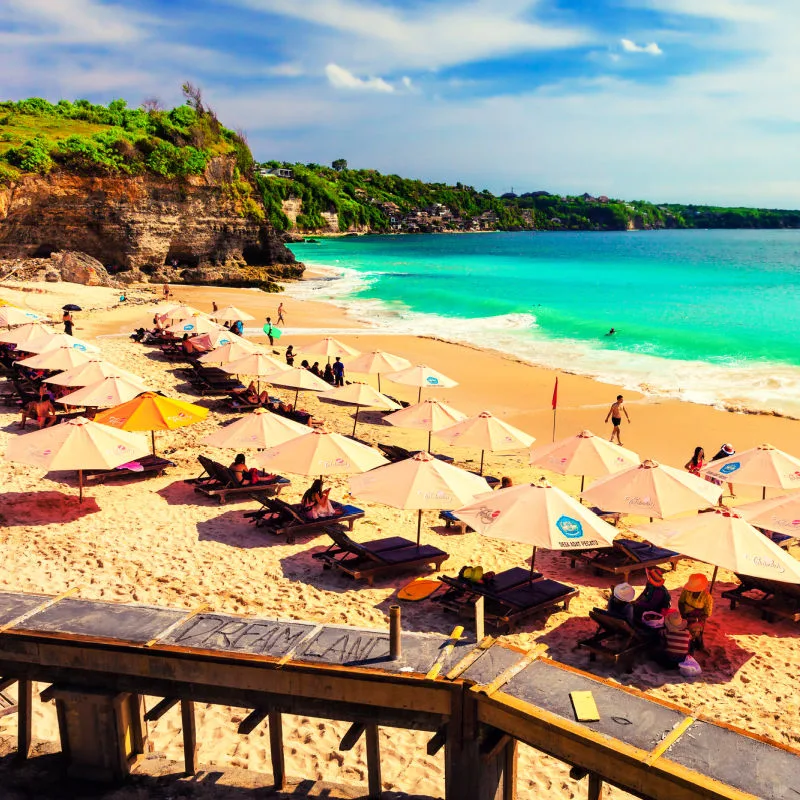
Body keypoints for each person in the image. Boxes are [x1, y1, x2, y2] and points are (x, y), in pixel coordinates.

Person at [679, 573, 713, 650]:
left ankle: (699, 645)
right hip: (686, 613)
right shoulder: (686, 591)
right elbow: (681, 602)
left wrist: (696, 619)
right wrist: (683, 614)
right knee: (683, 630)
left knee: (696, 630)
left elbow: (707, 613)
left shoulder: (707, 596)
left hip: (699, 617)